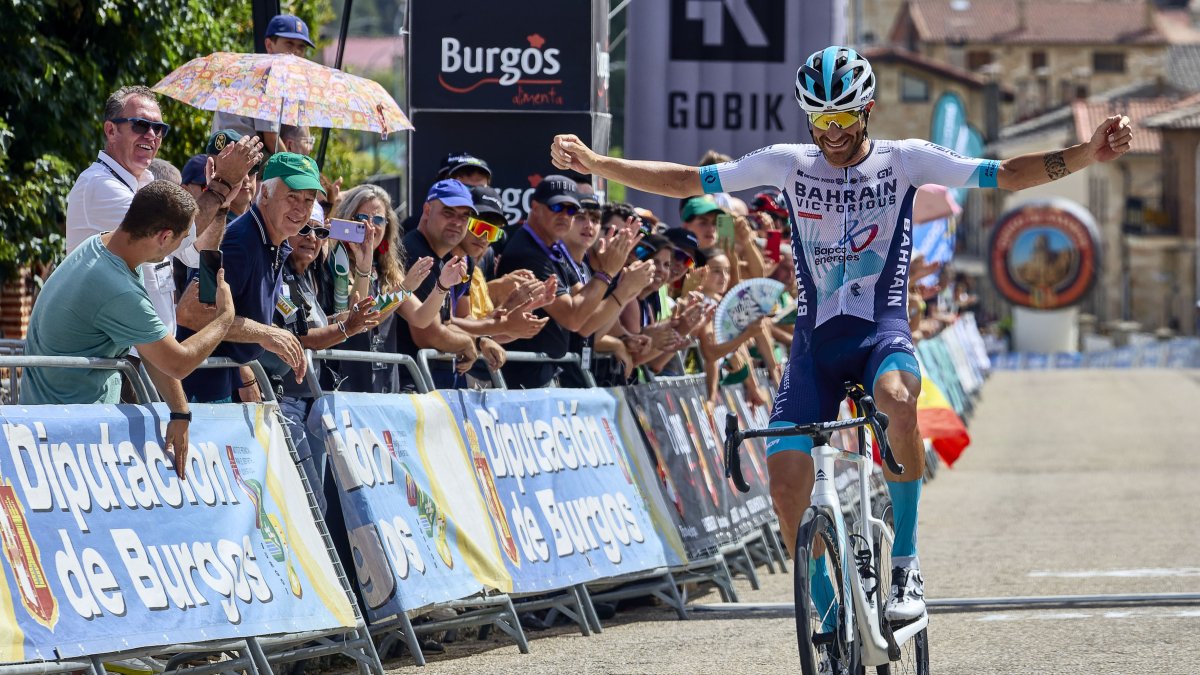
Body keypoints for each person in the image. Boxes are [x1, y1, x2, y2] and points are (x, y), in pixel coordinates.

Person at [549, 44, 1133, 630]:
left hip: (880, 332)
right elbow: (683, 180)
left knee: (900, 403)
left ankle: (904, 558)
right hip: (813, 346)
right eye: (820, 118)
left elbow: (1005, 175)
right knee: (783, 484)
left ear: (868, 110)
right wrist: (597, 164)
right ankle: (826, 602)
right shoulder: (787, 163)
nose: (831, 132)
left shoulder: (906, 160)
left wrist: (1085, 154)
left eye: (843, 118)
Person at [22, 181, 236, 479]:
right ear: (164, 237)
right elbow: (179, 362)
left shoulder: (104, 246)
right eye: (183, 238)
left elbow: (150, 343)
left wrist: (179, 410)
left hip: (59, 427)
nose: (183, 245)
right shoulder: (118, 288)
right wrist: (224, 318)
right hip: (68, 439)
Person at [175, 152, 322, 403]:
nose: (301, 208)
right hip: (200, 392)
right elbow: (192, 312)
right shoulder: (241, 241)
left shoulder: (273, 241)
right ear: (264, 193)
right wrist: (265, 334)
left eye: (309, 200)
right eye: (292, 197)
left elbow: (239, 312)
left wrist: (277, 336)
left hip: (219, 385)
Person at [494, 175, 638, 389]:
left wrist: (609, 274)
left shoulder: (553, 249)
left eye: (571, 210)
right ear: (535, 207)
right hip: (523, 378)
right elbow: (574, 319)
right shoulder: (528, 252)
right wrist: (608, 273)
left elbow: (585, 308)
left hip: (545, 373)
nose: (564, 216)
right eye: (556, 207)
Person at [213, 14, 315, 159]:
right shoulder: (268, 76)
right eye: (289, 44)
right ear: (269, 45)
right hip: (239, 155)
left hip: (221, 150)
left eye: (301, 47)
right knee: (294, 173)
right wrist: (295, 169)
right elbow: (271, 140)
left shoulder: (253, 69)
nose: (296, 52)